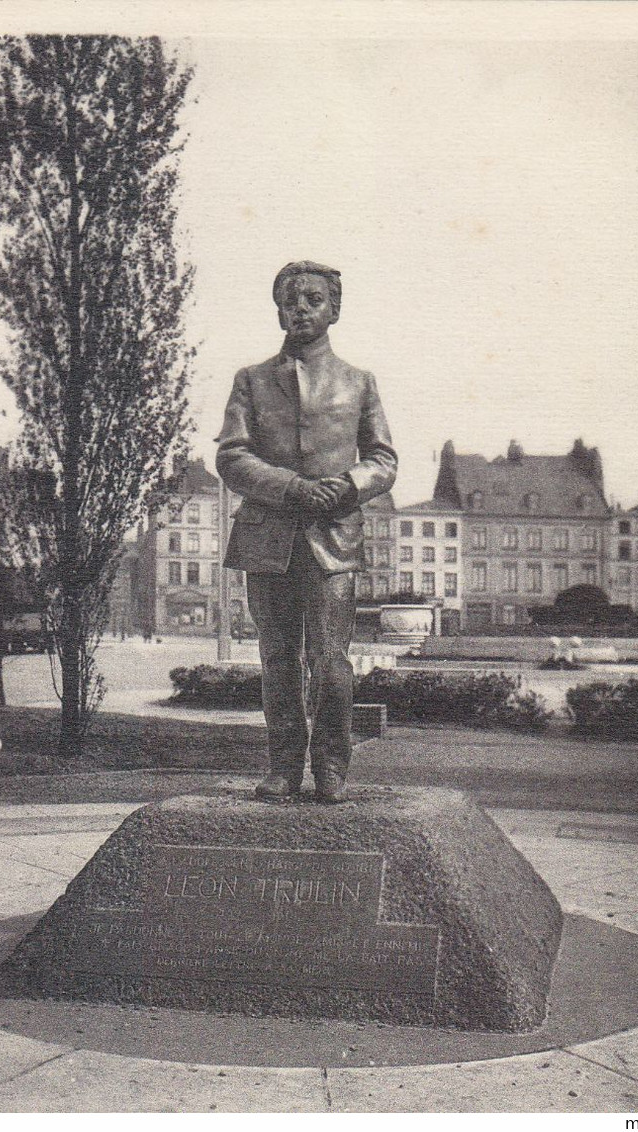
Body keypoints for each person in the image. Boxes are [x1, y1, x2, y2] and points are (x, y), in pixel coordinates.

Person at [215, 263, 397, 803]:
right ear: (278, 311)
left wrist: (347, 486)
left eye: (314, 299)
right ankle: (283, 767)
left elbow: (383, 459)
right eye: (291, 300)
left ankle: (333, 766)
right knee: (276, 660)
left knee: (331, 660)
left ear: (334, 310)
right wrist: (290, 487)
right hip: (267, 538)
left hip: (333, 539)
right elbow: (231, 455)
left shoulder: (358, 382)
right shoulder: (251, 380)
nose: (301, 308)